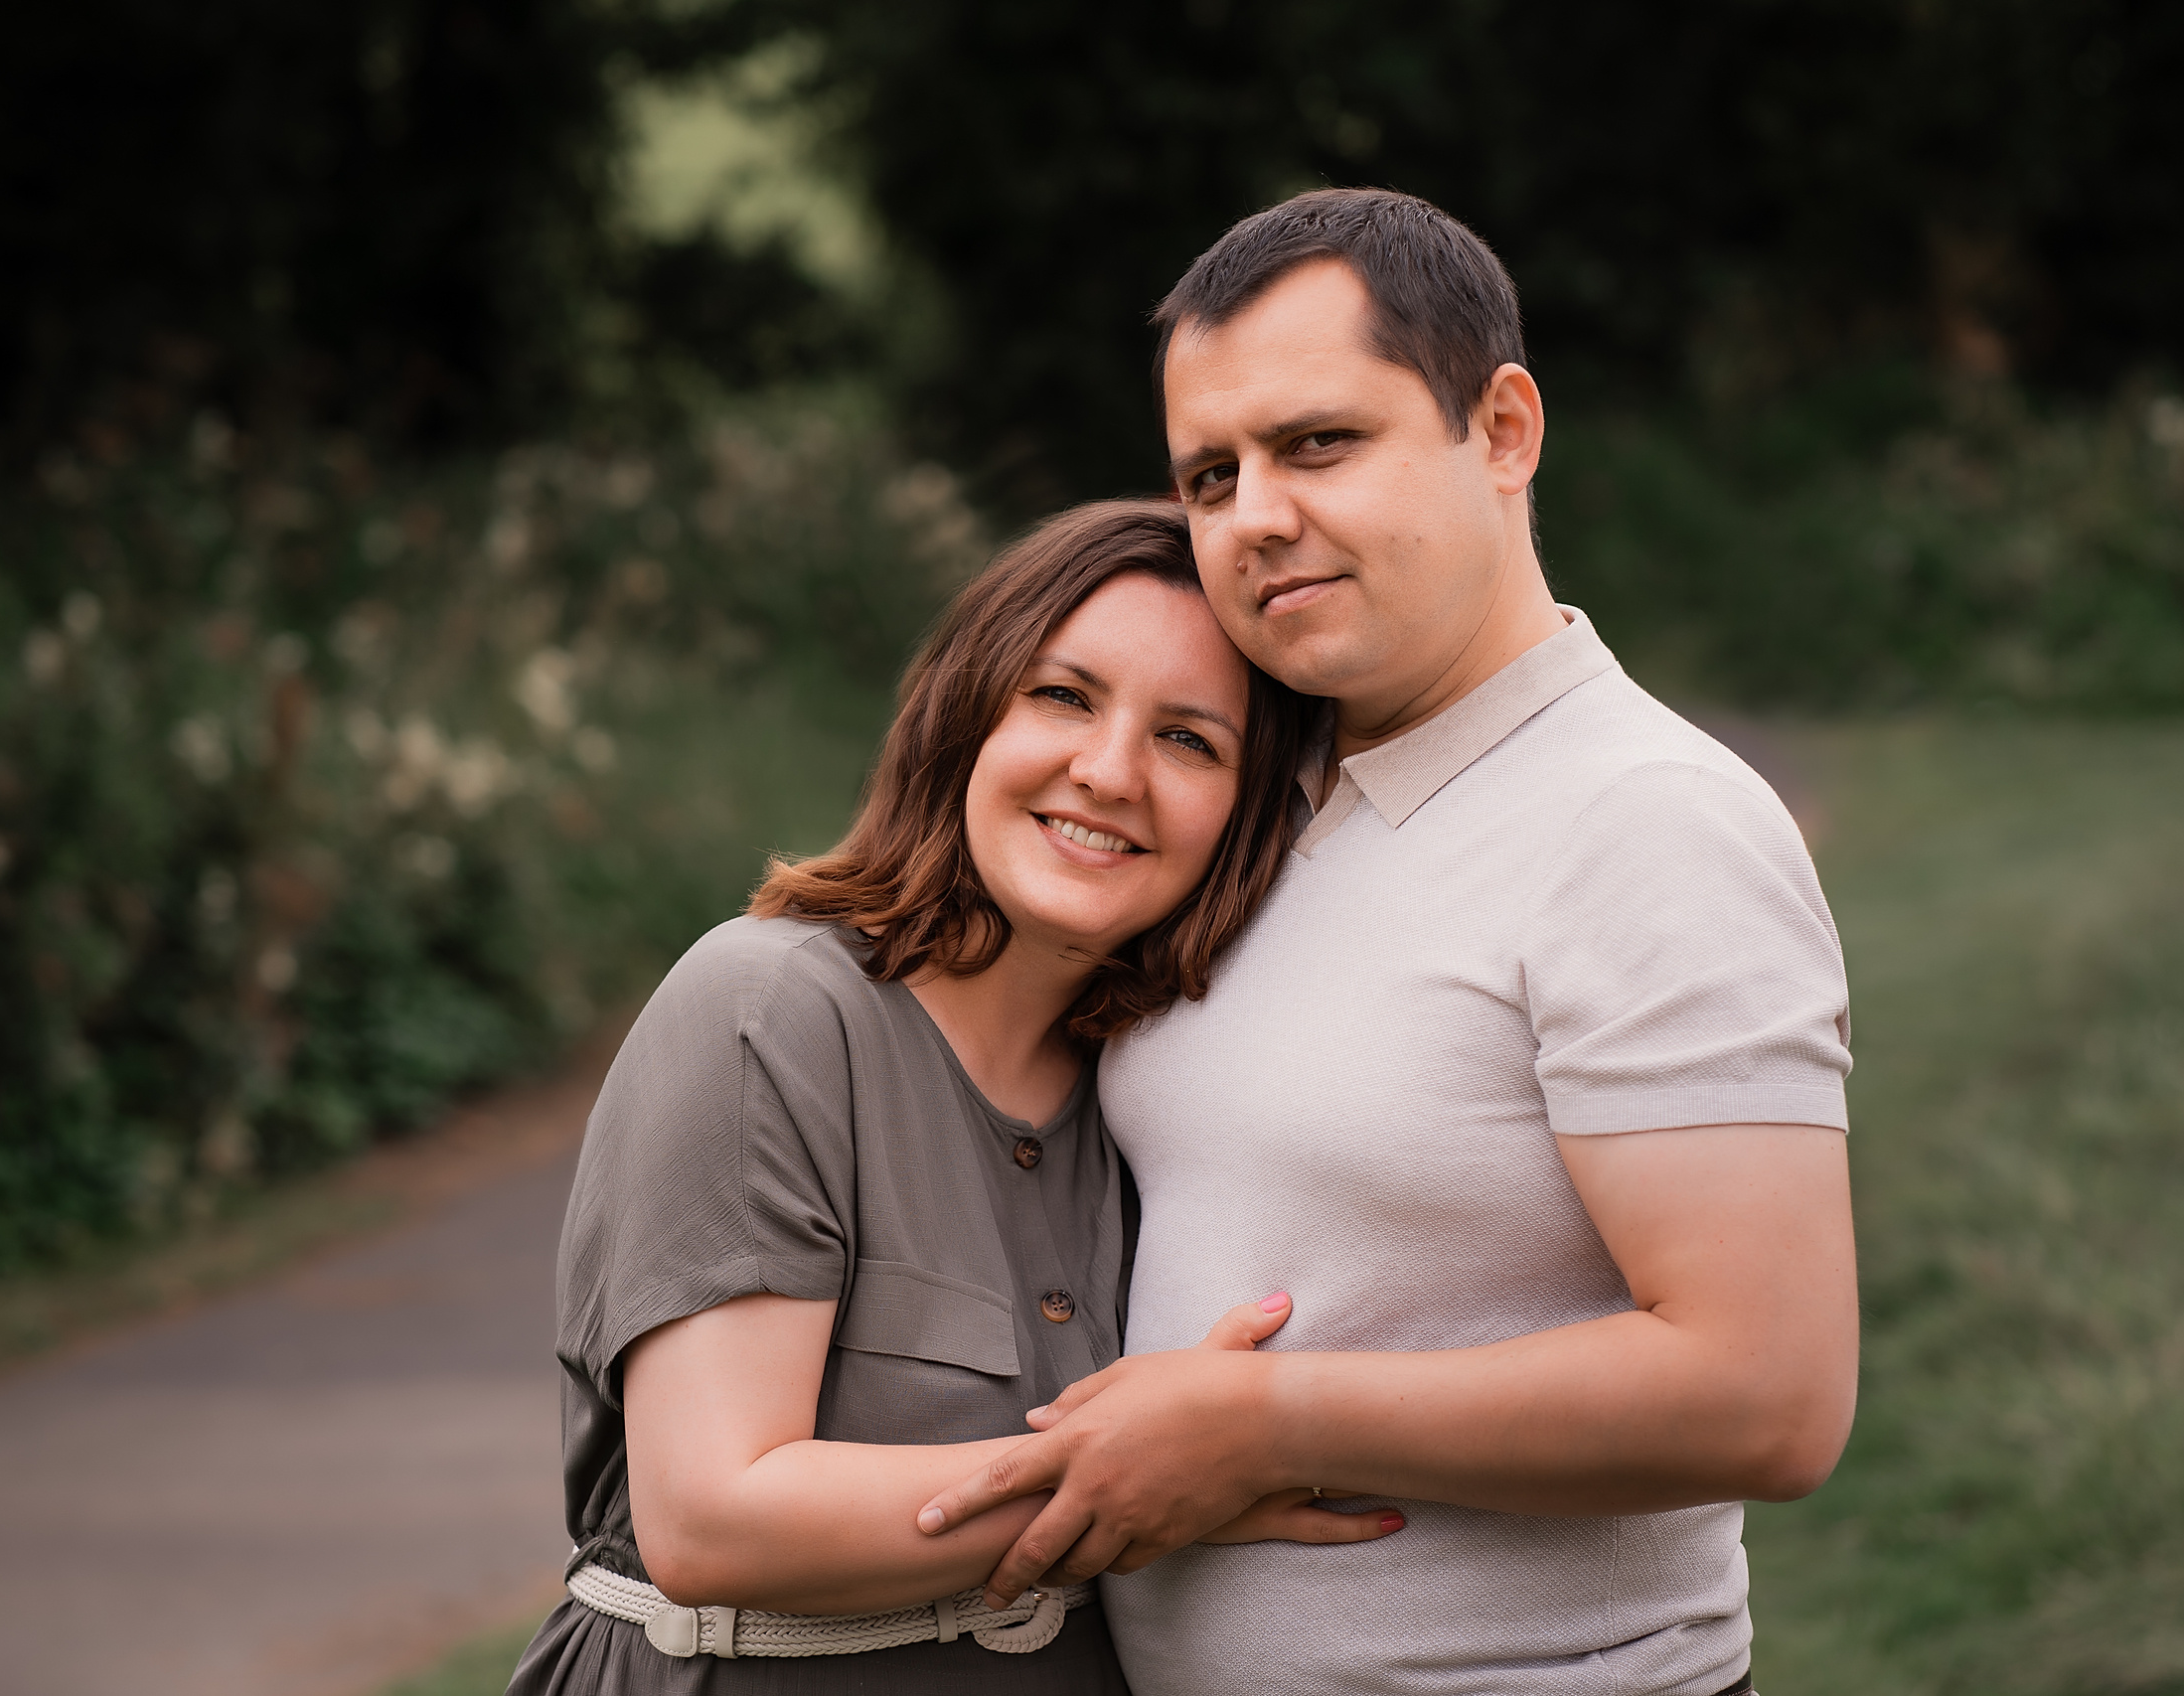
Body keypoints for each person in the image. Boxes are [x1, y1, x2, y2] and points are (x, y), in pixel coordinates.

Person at [912, 190, 1860, 1696]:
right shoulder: (1253, 800)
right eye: (1210, 475)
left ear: (1502, 429)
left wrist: (1264, 1422)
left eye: (1318, 444)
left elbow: (1769, 1391)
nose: (1254, 517)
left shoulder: (1647, 821)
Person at [506, 499, 1399, 1696]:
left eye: (1190, 741)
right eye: (1063, 696)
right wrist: (1155, 1481)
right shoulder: (769, 1009)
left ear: (1240, 820)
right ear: (966, 714)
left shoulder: (1156, 1089)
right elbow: (715, 1518)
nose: (1109, 771)